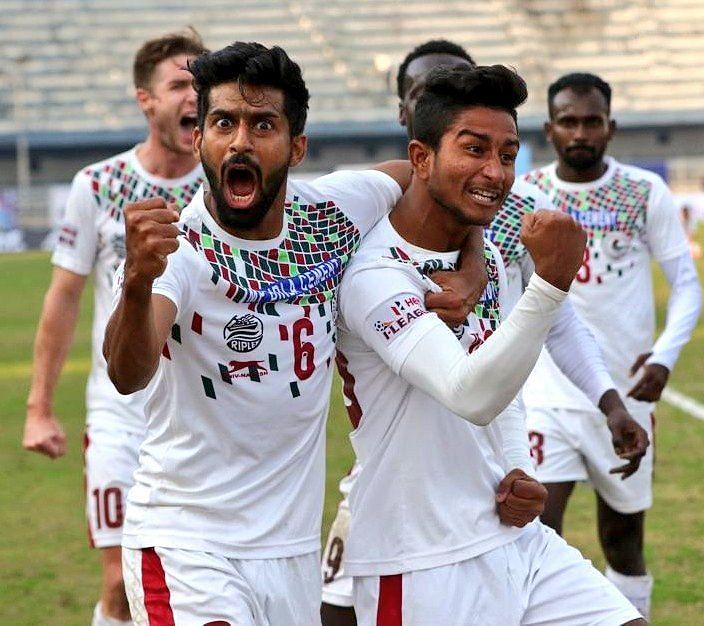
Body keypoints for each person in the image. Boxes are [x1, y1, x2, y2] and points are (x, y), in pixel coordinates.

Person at [103, 41, 489, 625]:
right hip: (187, 546)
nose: (240, 141)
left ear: (297, 146)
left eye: (263, 124)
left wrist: (474, 262)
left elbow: (441, 178)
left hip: (290, 553)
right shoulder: (175, 251)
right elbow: (128, 374)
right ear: (200, 140)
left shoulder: (337, 211)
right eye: (223, 122)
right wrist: (136, 282)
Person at [321, 40, 648, 626]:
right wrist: (549, 285)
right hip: (419, 557)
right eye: (474, 150)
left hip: (514, 542)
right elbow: (470, 393)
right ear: (420, 158)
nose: (495, 173)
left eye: (508, 154)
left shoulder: (488, 254)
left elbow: (504, 380)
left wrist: (517, 465)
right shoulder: (374, 274)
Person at [22, 29, 207, 626]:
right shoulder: (98, 185)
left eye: (199, 84)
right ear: (146, 100)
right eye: (179, 84)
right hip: (120, 414)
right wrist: (39, 407)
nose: (193, 96)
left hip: (202, 418)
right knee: (121, 585)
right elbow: (63, 298)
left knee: (190, 584)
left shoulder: (224, 187)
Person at [522, 72, 703, 620]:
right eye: (569, 121)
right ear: (550, 129)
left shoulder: (644, 191)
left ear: (611, 127)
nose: (581, 131)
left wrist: (666, 356)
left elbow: (687, 283)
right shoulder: (529, 193)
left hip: (627, 396)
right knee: (535, 534)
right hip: (546, 393)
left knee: (622, 539)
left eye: (592, 121)